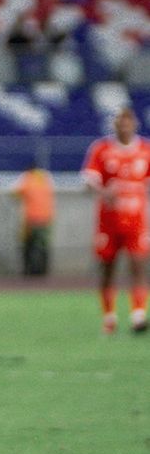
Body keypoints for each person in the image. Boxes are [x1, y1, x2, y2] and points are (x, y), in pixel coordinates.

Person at [81, 107, 150, 335]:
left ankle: (138, 316)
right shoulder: (101, 149)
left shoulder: (145, 150)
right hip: (108, 221)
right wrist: (103, 191)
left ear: (135, 124)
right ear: (114, 125)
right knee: (108, 269)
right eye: (120, 122)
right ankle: (109, 318)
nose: (124, 126)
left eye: (128, 121)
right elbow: (89, 180)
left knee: (138, 264)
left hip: (136, 220)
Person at [12, 163, 54, 278]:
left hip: (31, 219)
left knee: (27, 245)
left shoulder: (27, 178)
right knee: (43, 245)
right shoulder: (45, 178)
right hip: (46, 219)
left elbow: (15, 193)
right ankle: (43, 271)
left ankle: (27, 271)